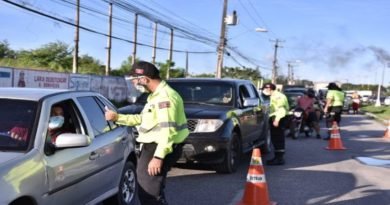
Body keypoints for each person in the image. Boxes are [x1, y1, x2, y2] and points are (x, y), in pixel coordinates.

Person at [105, 61, 189, 205]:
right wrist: (118, 117)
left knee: (149, 194)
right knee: (151, 192)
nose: (134, 84)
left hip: (158, 148)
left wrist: (158, 157)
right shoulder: (155, 96)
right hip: (153, 147)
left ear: (144, 79)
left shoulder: (165, 97)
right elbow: (144, 119)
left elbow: (167, 130)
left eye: (135, 80)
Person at [262, 83, 289, 165]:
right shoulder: (272, 96)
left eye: (265, 89)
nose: (264, 90)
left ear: (269, 88)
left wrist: (277, 120)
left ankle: (279, 159)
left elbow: (282, 109)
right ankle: (277, 157)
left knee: (278, 138)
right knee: (275, 138)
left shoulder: (278, 96)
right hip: (275, 118)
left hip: (279, 119)